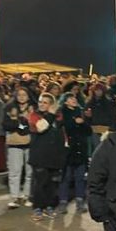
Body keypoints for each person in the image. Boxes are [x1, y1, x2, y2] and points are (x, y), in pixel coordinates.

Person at [28, 92, 67, 221]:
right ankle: (38, 208)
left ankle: (49, 206)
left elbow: (62, 134)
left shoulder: (58, 117)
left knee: (52, 183)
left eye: (45, 102)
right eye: (40, 102)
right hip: (39, 155)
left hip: (54, 155)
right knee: (40, 183)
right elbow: (41, 128)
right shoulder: (34, 115)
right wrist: (50, 114)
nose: (41, 104)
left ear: (52, 104)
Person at [57, 93, 91, 214]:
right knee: (65, 177)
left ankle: (80, 200)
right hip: (67, 150)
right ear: (65, 102)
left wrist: (83, 122)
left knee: (80, 177)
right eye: (70, 98)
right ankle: (63, 201)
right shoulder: (62, 113)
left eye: (74, 98)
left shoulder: (81, 112)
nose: (74, 100)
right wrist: (75, 122)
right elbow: (62, 128)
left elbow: (88, 131)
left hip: (80, 149)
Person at [2, 88, 34, 208]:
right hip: (14, 143)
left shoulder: (33, 108)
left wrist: (18, 122)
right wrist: (21, 123)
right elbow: (6, 125)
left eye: (24, 94)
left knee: (30, 172)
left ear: (28, 96)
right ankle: (14, 197)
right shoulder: (9, 107)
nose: (21, 97)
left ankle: (26, 195)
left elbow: (33, 124)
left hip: (30, 143)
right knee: (15, 171)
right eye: (19, 94)